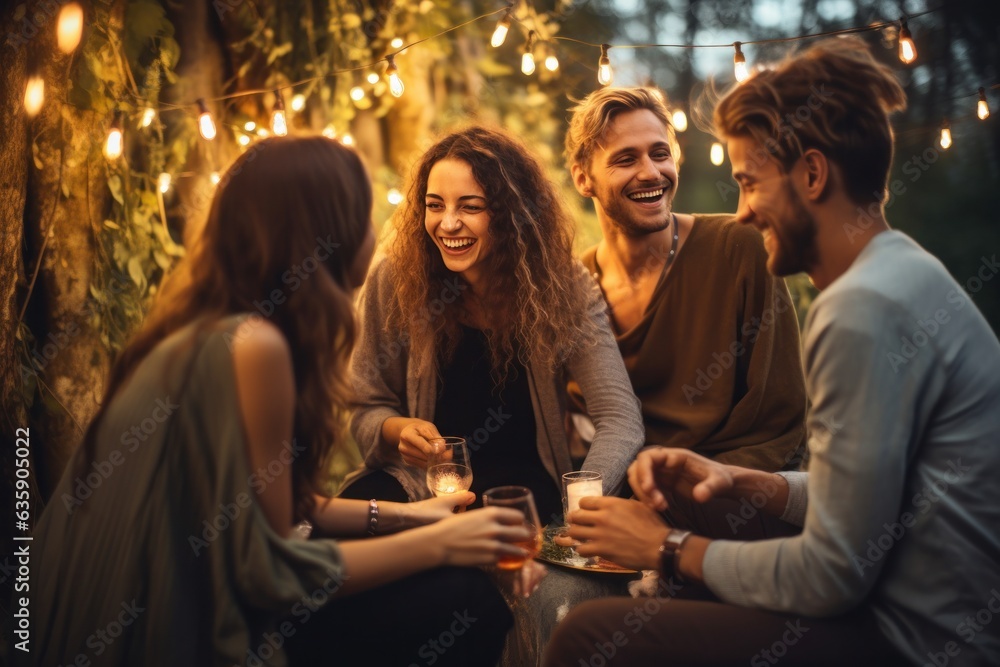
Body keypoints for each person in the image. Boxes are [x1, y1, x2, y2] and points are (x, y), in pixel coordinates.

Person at [544, 36, 1000, 666]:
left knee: (585, 636)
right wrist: (747, 481)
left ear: (812, 174)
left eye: (749, 183)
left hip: (915, 641)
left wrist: (668, 547)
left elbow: (834, 573)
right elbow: (865, 499)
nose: (742, 213)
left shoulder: (859, 313)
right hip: (904, 608)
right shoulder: (907, 271)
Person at [26, 136, 535, 667]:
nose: (379, 232)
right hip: (147, 623)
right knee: (467, 602)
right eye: (362, 214)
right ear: (322, 233)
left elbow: (281, 508)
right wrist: (448, 544)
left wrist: (421, 519)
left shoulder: (221, 326)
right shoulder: (256, 346)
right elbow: (265, 572)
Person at [341, 125, 644, 524]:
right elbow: (364, 405)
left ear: (510, 214)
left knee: (466, 575)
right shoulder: (396, 278)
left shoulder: (562, 285)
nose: (448, 225)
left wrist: (580, 508)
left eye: (470, 207)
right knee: (349, 536)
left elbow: (620, 419)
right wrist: (397, 431)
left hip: (519, 490)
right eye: (435, 205)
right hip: (421, 486)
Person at [563, 86, 808, 484]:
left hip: (733, 493)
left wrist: (689, 495)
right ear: (583, 179)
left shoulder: (739, 247)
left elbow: (780, 422)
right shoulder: (574, 286)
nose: (651, 172)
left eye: (660, 153)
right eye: (626, 159)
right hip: (624, 493)